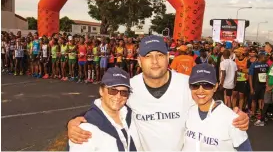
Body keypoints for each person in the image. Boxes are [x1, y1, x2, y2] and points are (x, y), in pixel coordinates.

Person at [67, 35, 249, 151]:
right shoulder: (129, 88)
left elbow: (209, 103)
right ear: (139, 61)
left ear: (168, 58)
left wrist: (236, 116)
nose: (154, 61)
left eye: (159, 55)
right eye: (148, 56)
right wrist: (76, 121)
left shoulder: (187, 85)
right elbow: (106, 107)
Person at [183, 64, 252, 151]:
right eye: (195, 85)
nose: (200, 90)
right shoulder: (188, 112)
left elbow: (245, 149)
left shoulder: (232, 119)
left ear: (215, 87)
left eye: (207, 85)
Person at [69, 67, 136, 151]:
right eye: (113, 90)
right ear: (101, 91)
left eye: (124, 92)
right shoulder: (86, 129)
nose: (118, 96)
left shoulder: (131, 115)